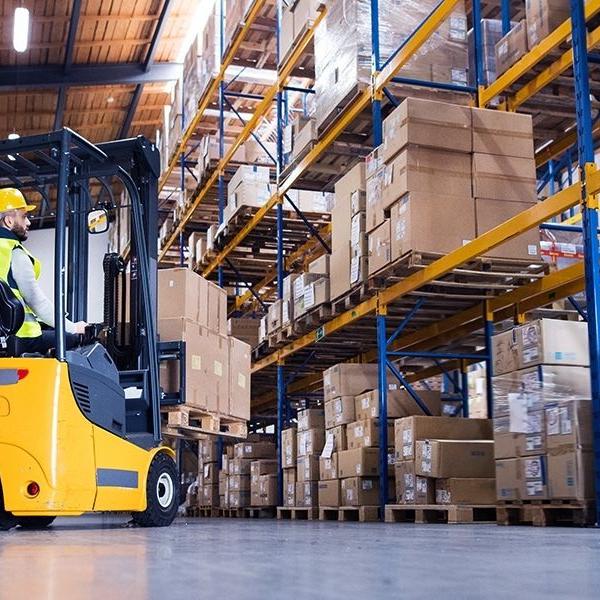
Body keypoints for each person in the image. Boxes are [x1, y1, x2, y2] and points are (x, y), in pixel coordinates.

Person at [0, 188, 87, 354]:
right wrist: (74, 328)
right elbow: (36, 302)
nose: (28, 223)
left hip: (3, 337)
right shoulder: (14, 252)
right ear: (9, 221)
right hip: (21, 336)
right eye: (24, 216)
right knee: (79, 340)